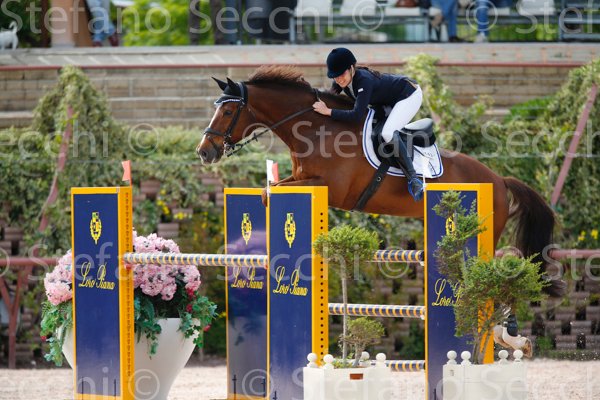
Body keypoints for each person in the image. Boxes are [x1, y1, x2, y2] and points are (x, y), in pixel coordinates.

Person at [312, 48, 424, 201]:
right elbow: (328, 96)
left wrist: (328, 111)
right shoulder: (341, 79)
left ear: (351, 68)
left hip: (408, 95)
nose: (339, 80)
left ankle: (414, 179)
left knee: (387, 133)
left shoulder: (364, 80)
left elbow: (356, 115)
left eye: (341, 75)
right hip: (387, 102)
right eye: (335, 76)